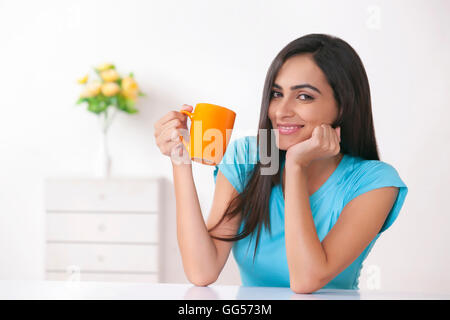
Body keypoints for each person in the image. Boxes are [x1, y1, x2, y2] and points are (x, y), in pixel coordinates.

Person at [153, 33, 408, 294]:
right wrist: (180, 160)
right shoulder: (250, 157)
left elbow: (306, 280)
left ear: (343, 105)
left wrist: (296, 166)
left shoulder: (373, 182)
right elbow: (202, 270)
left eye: (304, 96)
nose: (281, 111)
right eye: (277, 93)